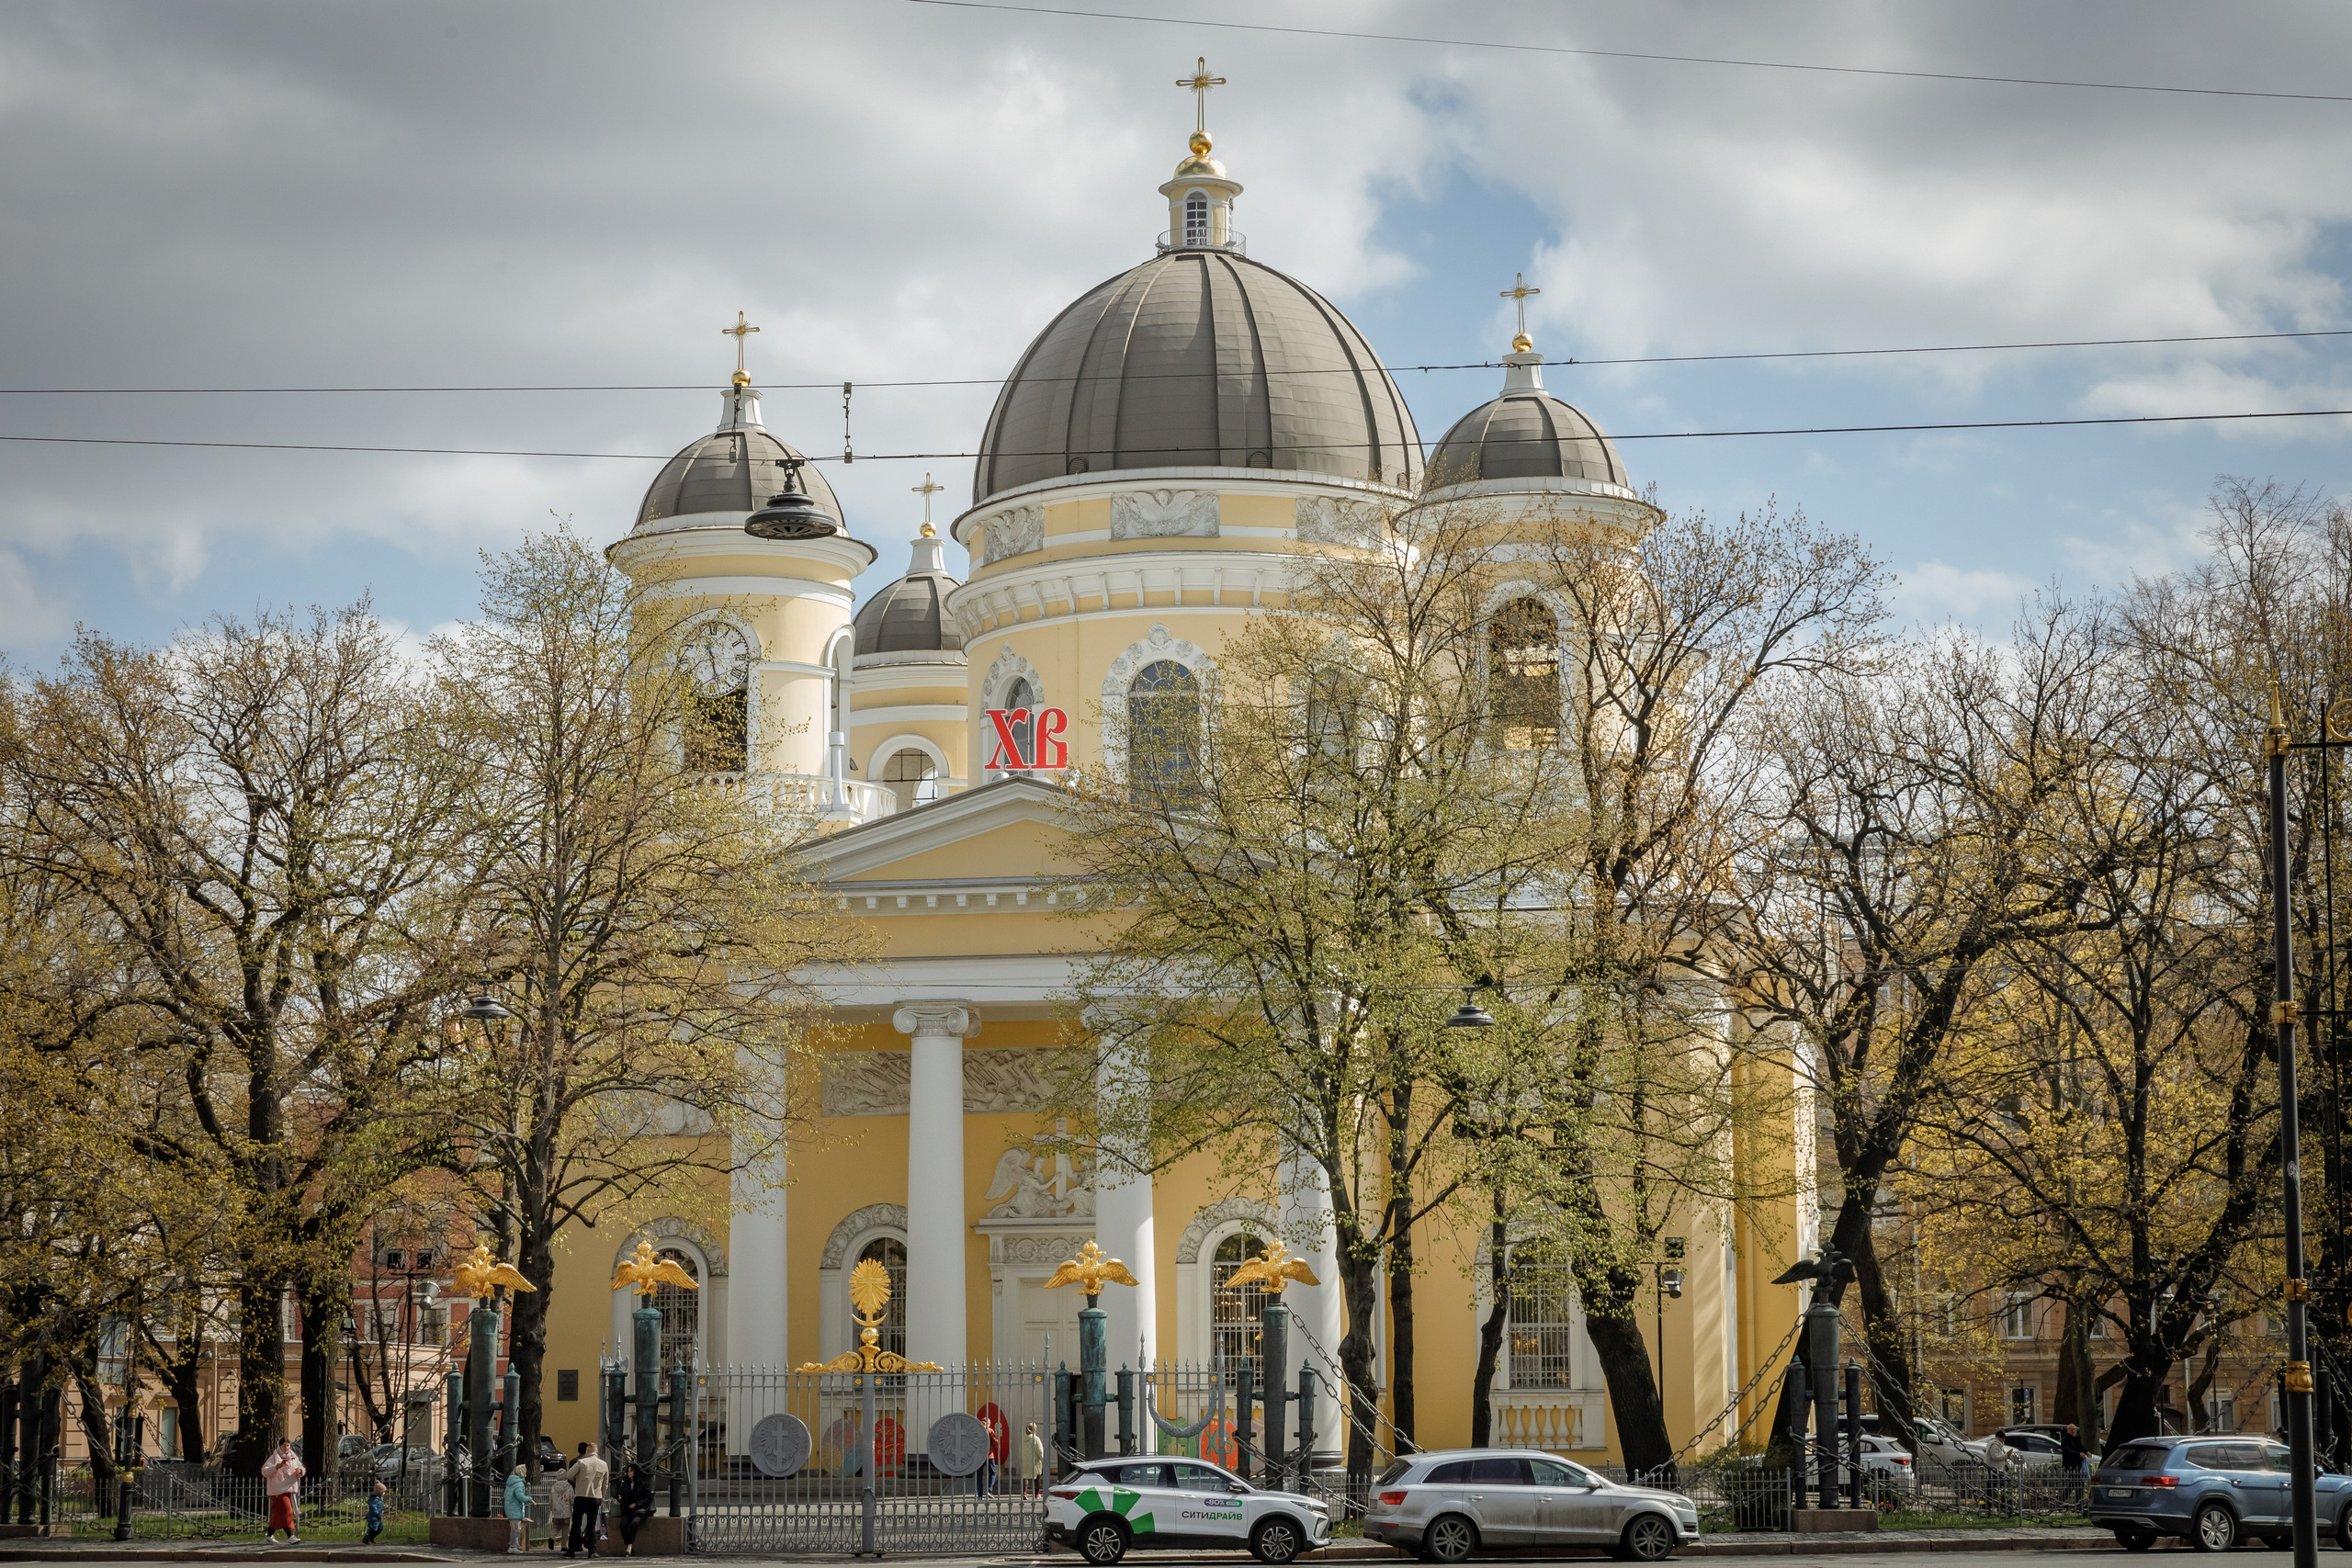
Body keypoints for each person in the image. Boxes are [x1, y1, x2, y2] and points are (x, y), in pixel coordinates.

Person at [565, 1441, 608, 1559]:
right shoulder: (603, 1464)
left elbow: (569, 1475)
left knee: (576, 1524)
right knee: (591, 1524)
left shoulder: (581, 1462)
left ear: (587, 1451)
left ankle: (572, 1550)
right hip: (595, 1497)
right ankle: (592, 1551)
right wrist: (602, 1497)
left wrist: (577, 1480)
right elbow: (605, 1484)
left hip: (580, 1495)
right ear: (596, 1451)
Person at [262, 1436, 306, 1545]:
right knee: (286, 1510)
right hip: (277, 1490)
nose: (286, 1448)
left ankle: (269, 1535)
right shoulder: (274, 1457)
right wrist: (277, 1466)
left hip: (289, 1489)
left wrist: (300, 1471)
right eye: (284, 1446)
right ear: (279, 1446)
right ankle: (290, 1536)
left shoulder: (293, 1457)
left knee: (278, 1514)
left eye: (288, 1445)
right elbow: (265, 1471)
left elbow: (301, 1468)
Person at [613, 1461, 655, 1557]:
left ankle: (630, 1546)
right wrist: (620, 1498)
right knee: (623, 1526)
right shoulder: (625, 1483)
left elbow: (648, 1498)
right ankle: (628, 1544)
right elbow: (622, 1497)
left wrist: (637, 1504)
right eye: (628, 1471)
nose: (629, 1473)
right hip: (628, 1510)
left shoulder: (643, 1483)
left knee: (634, 1523)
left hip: (639, 1510)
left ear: (635, 1472)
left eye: (631, 1471)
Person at [504, 1465, 532, 1553]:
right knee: (516, 1528)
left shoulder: (511, 1482)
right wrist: (530, 1499)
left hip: (510, 1508)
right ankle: (512, 1546)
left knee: (515, 1528)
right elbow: (521, 1497)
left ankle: (514, 1543)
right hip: (515, 1509)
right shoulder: (519, 1484)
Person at [547, 1466, 574, 1553]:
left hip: (556, 1511)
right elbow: (572, 1498)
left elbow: (550, 1499)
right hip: (565, 1511)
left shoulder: (553, 1487)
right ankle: (564, 1545)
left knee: (556, 1526)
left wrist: (551, 1508)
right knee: (565, 1528)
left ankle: (552, 1537)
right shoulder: (569, 1486)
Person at [2060, 1424, 2086, 1502]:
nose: (2073, 1431)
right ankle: (2062, 1499)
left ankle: (2078, 1500)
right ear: (2068, 1431)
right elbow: (2067, 1451)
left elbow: (2082, 1448)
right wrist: (2078, 1454)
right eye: (2071, 1429)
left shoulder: (2078, 1439)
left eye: (2074, 1429)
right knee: (2073, 1483)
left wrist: (2086, 1452)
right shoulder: (2065, 1440)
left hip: (2078, 1464)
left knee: (2080, 1483)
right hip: (2070, 1464)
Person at [1023, 1422, 1046, 1499]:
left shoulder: (1023, 1438)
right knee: (1036, 1477)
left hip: (1025, 1460)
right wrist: (1043, 1459)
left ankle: (1025, 1493)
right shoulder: (1036, 1439)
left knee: (1025, 1476)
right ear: (1035, 1429)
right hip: (1035, 1461)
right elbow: (1040, 1451)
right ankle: (1037, 1493)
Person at [363, 1478, 387, 1545]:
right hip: (373, 1516)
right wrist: (376, 1512)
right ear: (379, 1492)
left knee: (380, 1527)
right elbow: (373, 1506)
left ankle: (371, 1537)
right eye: (383, 1492)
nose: (384, 1493)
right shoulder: (374, 1499)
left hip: (377, 1517)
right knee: (373, 1528)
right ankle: (366, 1538)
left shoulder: (378, 1499)